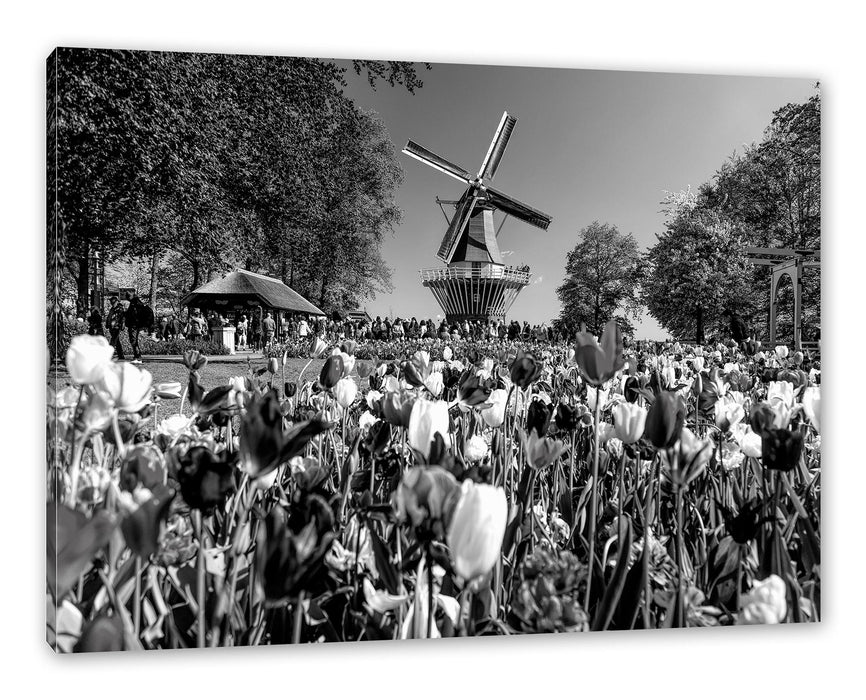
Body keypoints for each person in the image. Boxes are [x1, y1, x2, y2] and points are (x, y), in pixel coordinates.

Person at [106, 295, 126, 360]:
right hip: (111, 327)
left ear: (116, 302)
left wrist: (122, 325)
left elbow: (122, 318)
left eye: (113, 302)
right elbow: (109, 317)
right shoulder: (112, 309)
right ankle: (121, 355)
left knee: (113, 341)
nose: (112, 303)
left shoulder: (120, 308)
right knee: (117, 342)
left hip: (117, 327)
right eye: (111, 302)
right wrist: (107, 324)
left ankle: (108, 354)